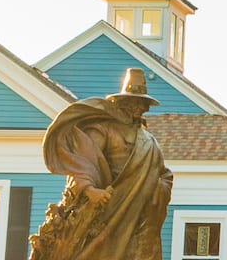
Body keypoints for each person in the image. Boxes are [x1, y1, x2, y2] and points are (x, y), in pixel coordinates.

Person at [29, 68, 174, 260]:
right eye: (135, 102)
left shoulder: (149, 141)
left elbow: (164, 174)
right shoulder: (103, 129)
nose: (139, 107)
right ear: (123, 102)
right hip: (107, 215)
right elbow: (83, 161)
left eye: (142, 103)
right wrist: (90, 190)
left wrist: (157, 189)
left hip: (138, 218)